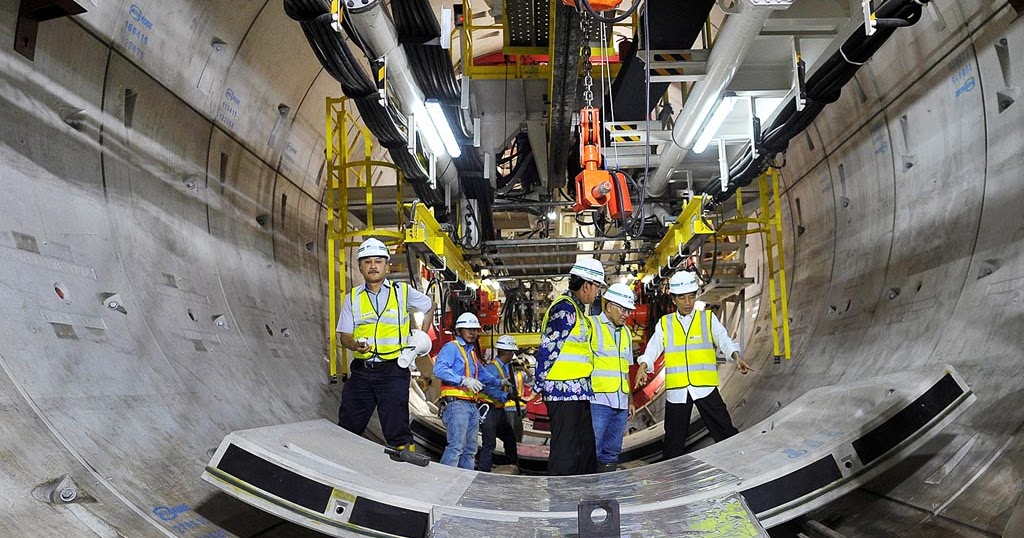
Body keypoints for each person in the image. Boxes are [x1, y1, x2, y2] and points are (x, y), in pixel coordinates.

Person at [636, 271, 753, 460]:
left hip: (705, 387)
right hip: (678, 392)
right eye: (682, 298)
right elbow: (653, 347)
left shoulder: (707, 319)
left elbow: (724, 339)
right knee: (673, 444)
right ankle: (674, 479)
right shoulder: (665, 323)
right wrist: (644, 365)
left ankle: (739, 463)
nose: (688, 302)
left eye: (691, 297)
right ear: (673, 299)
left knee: (725, 430)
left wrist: (736, 356)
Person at [336, 238, 434, 460]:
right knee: (348, 424)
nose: (373, 265)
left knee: (397, 428)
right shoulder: (353, 299)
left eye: (378, 261)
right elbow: (344, 336)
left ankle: (404, 475)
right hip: (362, 371)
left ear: (387, 265)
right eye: (367, 261)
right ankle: (343, 467)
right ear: (360, 266)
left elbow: (430, 306)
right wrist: (355, 344)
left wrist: (420, 335)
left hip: (393, 371)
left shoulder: (402, 292)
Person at [534, 258, 605, 475]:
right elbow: (548, 349)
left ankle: (584, 492)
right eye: (597, 287)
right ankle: (560, 499)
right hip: (562, 392)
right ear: (587, 285)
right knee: (566, 450)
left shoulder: (576, 309)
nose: (597, 294)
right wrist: (539, 385)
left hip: (577, 391)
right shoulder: (565, 310)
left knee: (584, 450)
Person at [433, 313, 507, 469]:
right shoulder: (452, 348)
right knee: (456, 446)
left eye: (475, 329)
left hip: (472, 406)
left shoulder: (471, 353)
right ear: (459, 330)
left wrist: (499, 381)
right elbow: (439, 369)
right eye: (468, 329)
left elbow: (484, 374)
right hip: (457, 404)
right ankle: (442, 483)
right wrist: (463, 380)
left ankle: (464, 484)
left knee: (470, 450)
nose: (472, 332)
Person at [590, 283, 637, 472]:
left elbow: (626, 368)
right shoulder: (592, 326)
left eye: (628, 310)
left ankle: (606, 492)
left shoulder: (626, 332)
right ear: (609, 307)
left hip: (620, 403)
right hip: (598, 402)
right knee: (592, 449)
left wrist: (631, 400)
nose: (627, 314)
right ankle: (588, 493)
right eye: (623, 309)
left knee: (612, 452)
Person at [477, 335, 522, 472]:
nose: (513, 355)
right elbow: (486, 388)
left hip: (498, 410)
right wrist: (506, 395)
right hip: (489, 409)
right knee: (489, 443)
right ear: (508, 353)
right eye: (512, 352)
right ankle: (484, 471)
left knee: (509, 438)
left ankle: (513, 466)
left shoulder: (505, 367)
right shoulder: (492, 368)